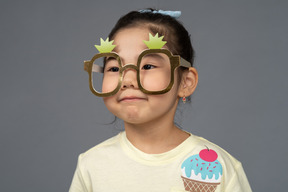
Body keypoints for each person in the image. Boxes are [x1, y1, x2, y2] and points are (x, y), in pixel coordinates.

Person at [69, 9, 252, 192]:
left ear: (185, 83)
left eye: (148, 66)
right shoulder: (92, 165)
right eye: (115, 68)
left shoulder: (219, 167)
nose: (127, 80)